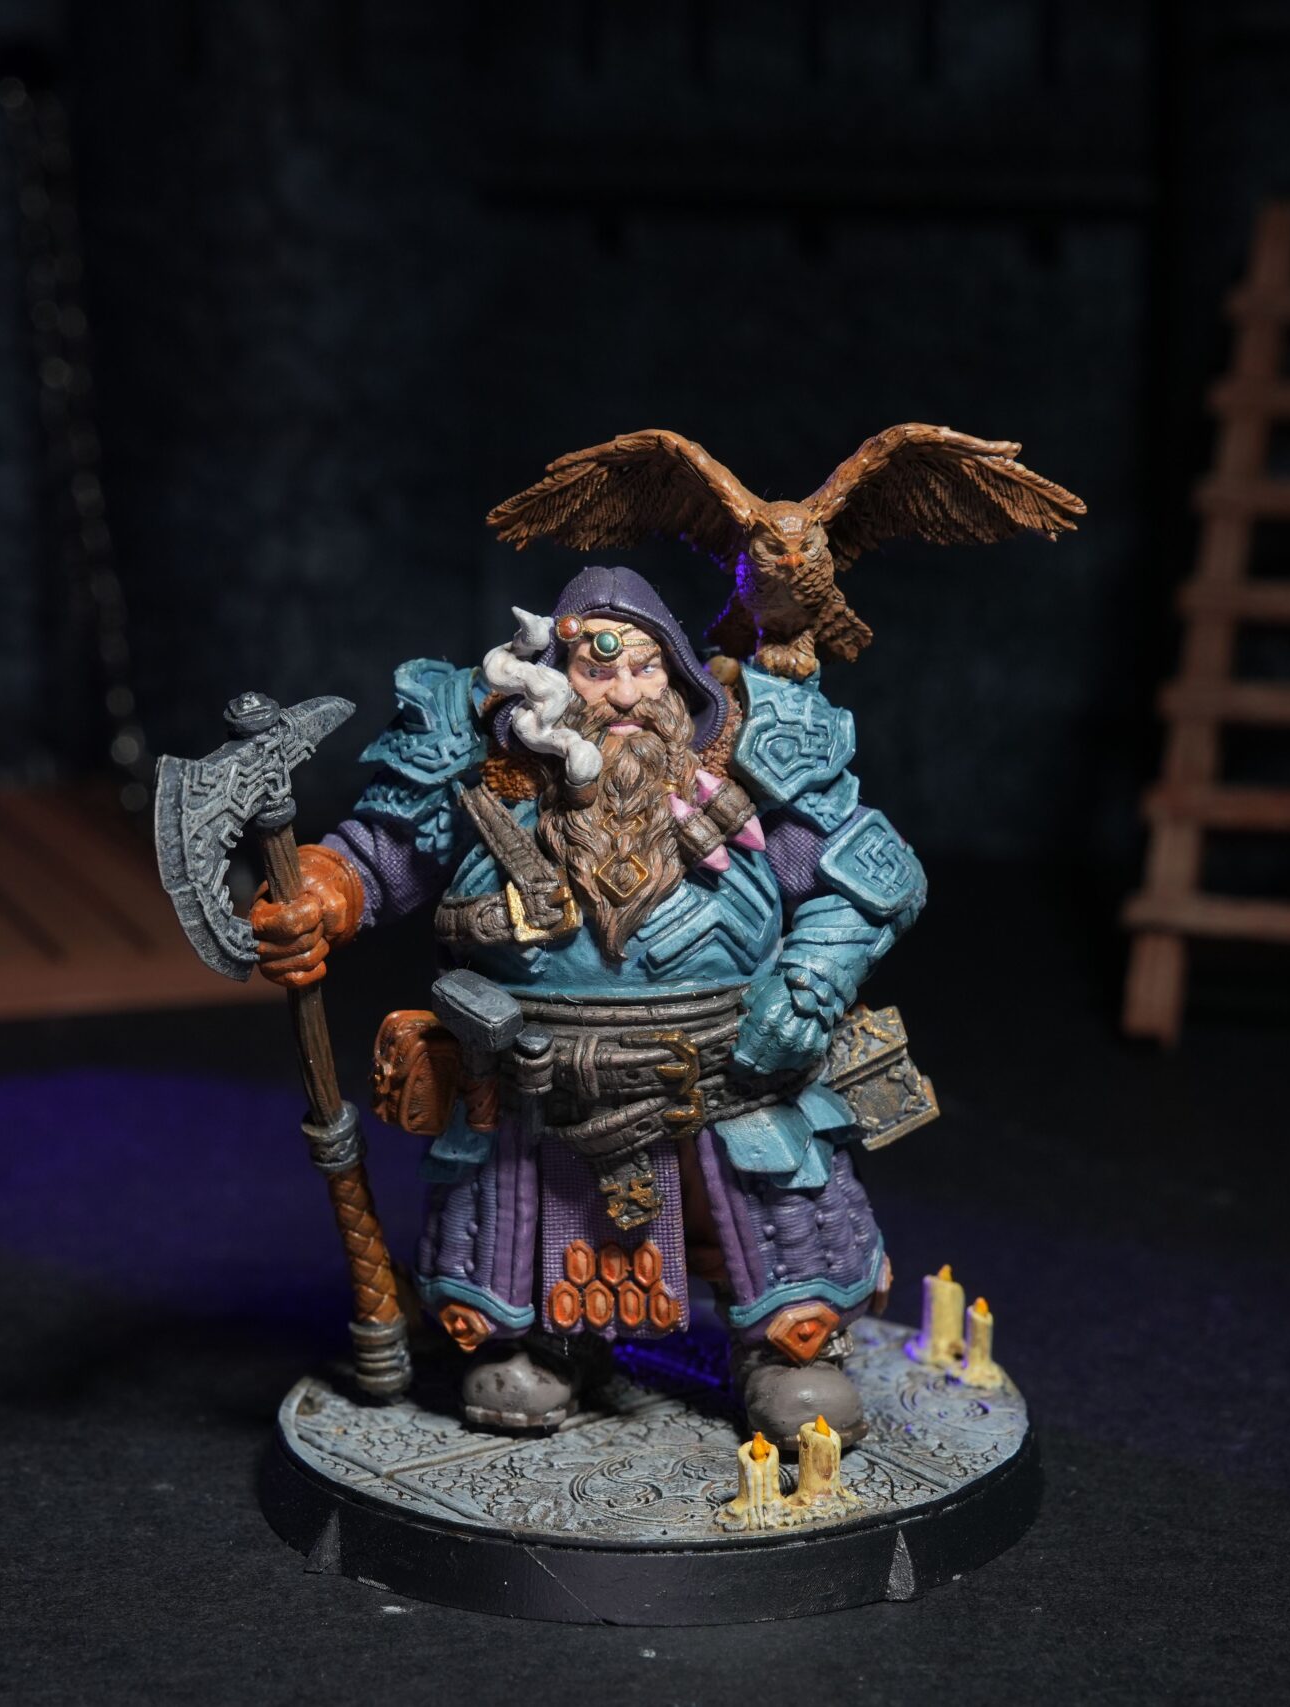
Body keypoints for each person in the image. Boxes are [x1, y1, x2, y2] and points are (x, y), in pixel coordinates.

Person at [249, 565, 926, 1447]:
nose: (627, 694)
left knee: (768, 1203)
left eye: (646, 669)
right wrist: (320, 895)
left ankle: (786, 1346)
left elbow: (874, 877)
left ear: (678, 676)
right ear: (553, 681)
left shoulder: (746, 763)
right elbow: (384, 851)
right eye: (599, 672)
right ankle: (548, 1338)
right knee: (524, 1211)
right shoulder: (492, 773)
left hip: (730, 1070)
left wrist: (811, 981)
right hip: (541, 1081)